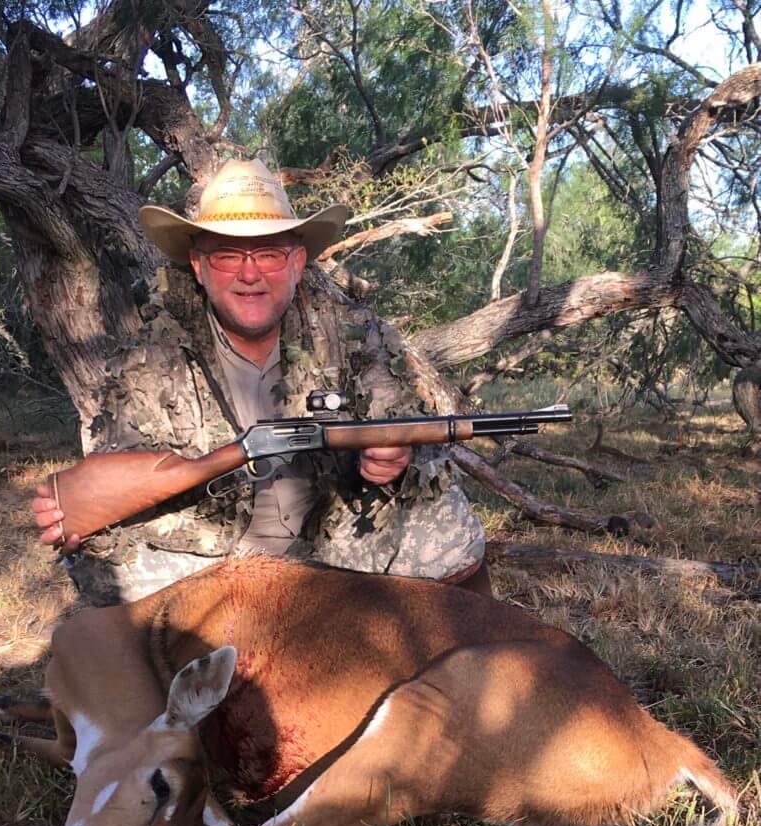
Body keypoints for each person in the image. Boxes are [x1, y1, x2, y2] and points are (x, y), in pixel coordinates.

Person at [31, 159, 490, 604]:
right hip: (207, 561)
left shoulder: (351, 331)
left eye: (268, 254)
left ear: (296, 262)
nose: (250, 275)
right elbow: (113, 473)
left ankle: (453, 659)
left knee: (446, 517)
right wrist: (221, 461)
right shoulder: (149, 353)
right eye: (229, 255)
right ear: (198, 265)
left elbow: (412, 426)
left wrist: (399, 460)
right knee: (104, 560)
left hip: (328, 544)